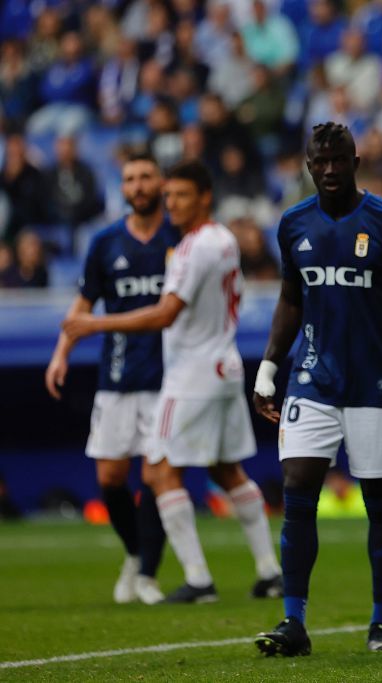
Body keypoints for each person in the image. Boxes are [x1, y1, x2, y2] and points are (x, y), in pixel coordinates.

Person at [251, 121, 382, 657]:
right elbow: (291, 297)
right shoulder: (292, 225)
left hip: (374, 383)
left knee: (379, 500)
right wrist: (268, 366)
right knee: (297, 490)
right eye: (320, 161)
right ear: (308, 165)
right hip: (311, 378)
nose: (330, 169)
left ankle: (381, 622)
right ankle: (294, 622)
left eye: (340, 160)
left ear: (356, 163)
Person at [62, 159, 283, 604]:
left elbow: (165, 314)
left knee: (159, 471)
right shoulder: (224, 240)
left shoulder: (191, 249)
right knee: (227, 470)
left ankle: (198, 579)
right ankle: (269, 571)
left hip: (191, 373)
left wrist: (93, 325)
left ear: (205, 197)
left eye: (181, 195)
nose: (173, 204)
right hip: (225, 365)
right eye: (170, 196)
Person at [45, 152, 172, 605]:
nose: (138, 185)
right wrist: (62, 352)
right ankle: (136, 554)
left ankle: (149, 577)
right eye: (130, 179)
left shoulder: (178, 239)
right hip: (117, 375)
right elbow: (83, 305)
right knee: (111, 478)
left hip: (168, 376)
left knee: (158, 475)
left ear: (160, 182)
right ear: (122, 187)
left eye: (145, 176)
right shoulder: (105, 243)